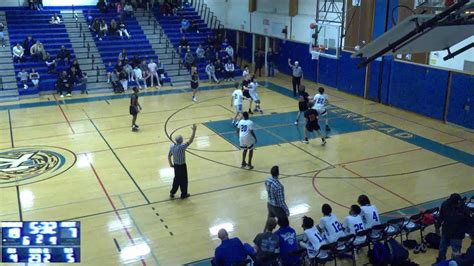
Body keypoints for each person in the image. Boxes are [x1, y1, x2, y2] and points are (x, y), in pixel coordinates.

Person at [435, 193, 471, 263]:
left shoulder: (464, 209)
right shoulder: (445, 205)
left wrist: (468, 232)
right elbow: (441, 216)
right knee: (442, 249)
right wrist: (437, 226)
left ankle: (455, 263)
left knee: (456, 253)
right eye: (456, 204)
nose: (458, 205)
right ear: (451, 203)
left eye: (459, 203)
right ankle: (440, 262)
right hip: (446, 232)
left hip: (457, 236)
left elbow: (469, 222)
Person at [168, 124, 197, 199]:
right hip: (182, 166)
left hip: (176, 166)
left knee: (176, 179)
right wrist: (194, 131)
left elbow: (169, 155)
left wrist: (171, 164)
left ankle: (172, 192)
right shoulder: (182, 147)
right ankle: (183, 194)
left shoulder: (172, 146)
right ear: (181, 141)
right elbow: (191, 140)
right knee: (184, 180)